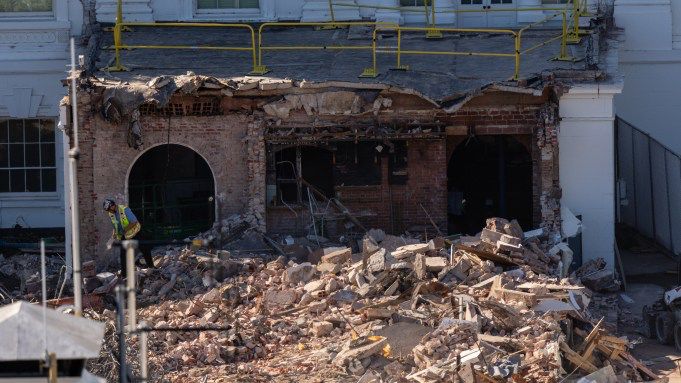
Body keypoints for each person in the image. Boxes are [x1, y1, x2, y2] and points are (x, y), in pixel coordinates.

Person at [103, 199, 154, 274]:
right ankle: (124, 274)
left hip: (136, 232)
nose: (109, 212)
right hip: (125, 236)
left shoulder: (125, 210)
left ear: (113, 206)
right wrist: (114, 234)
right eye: (107, 210)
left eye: (109, 209)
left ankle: (151, 266)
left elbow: (134, 222)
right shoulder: (111, 213)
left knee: (145, 249)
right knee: (123, 255)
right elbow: (115, 224)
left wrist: (124, 230)